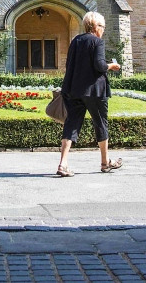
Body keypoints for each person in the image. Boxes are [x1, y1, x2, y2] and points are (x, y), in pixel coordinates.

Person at [55, 11, 122, 176]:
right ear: (95, 26)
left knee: (71, 124)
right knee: (100, 124)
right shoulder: (97, 42)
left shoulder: (76, 40)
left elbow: (70, 64)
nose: (103, 30)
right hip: (94, 91)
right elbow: (99, 66)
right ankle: (105, 163)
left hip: (74, 90)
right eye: (102, 26)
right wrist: (112, 66)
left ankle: (62, 164)